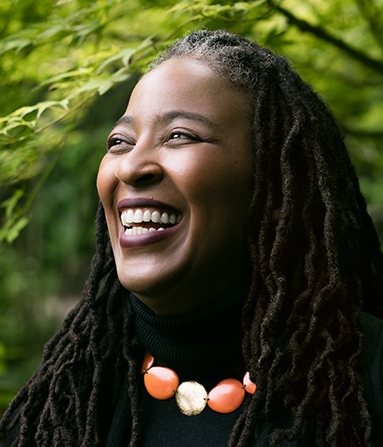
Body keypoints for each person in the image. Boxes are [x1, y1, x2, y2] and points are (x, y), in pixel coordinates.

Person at [0, 29, 382, 447]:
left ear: (273, 179)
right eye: (119, 142)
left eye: (179, 135)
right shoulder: (61, 404)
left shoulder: (364, 384)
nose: (130, 167)